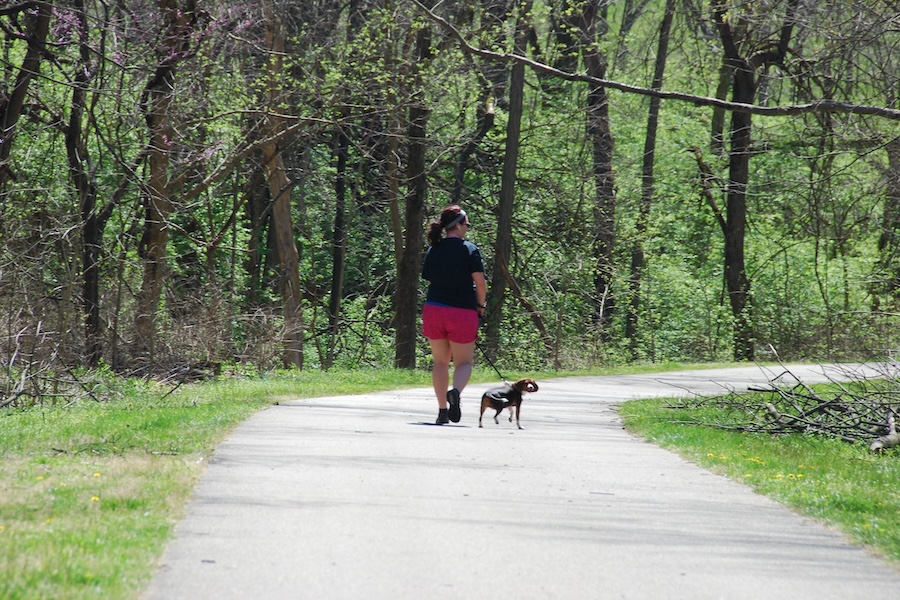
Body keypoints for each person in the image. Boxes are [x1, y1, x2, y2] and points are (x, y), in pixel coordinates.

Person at [421, 205, 487, 424]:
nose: (467, 228)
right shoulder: (469, 249)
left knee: (440, 362)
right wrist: (480, 306)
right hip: (462, 311)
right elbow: (480, 283)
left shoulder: (434, 249)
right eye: (466, 224)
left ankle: (442, 412)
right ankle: (455, 392)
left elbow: (430, 280)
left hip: (434, 309)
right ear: (457, 226)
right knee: (464, 363)